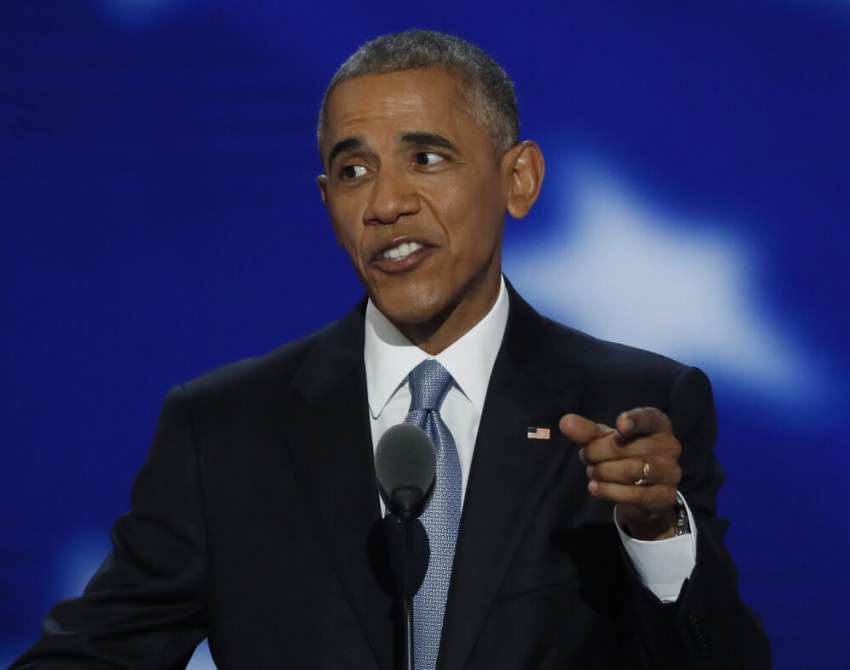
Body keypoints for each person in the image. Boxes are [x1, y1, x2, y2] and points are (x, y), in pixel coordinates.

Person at [12, 30, 770, 669]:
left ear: (520, 179)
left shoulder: (635, 408)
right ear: (327, 204)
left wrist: (657, 535)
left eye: (427, 158)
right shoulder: (223, 428)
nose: (384, 203)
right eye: (353, 171)